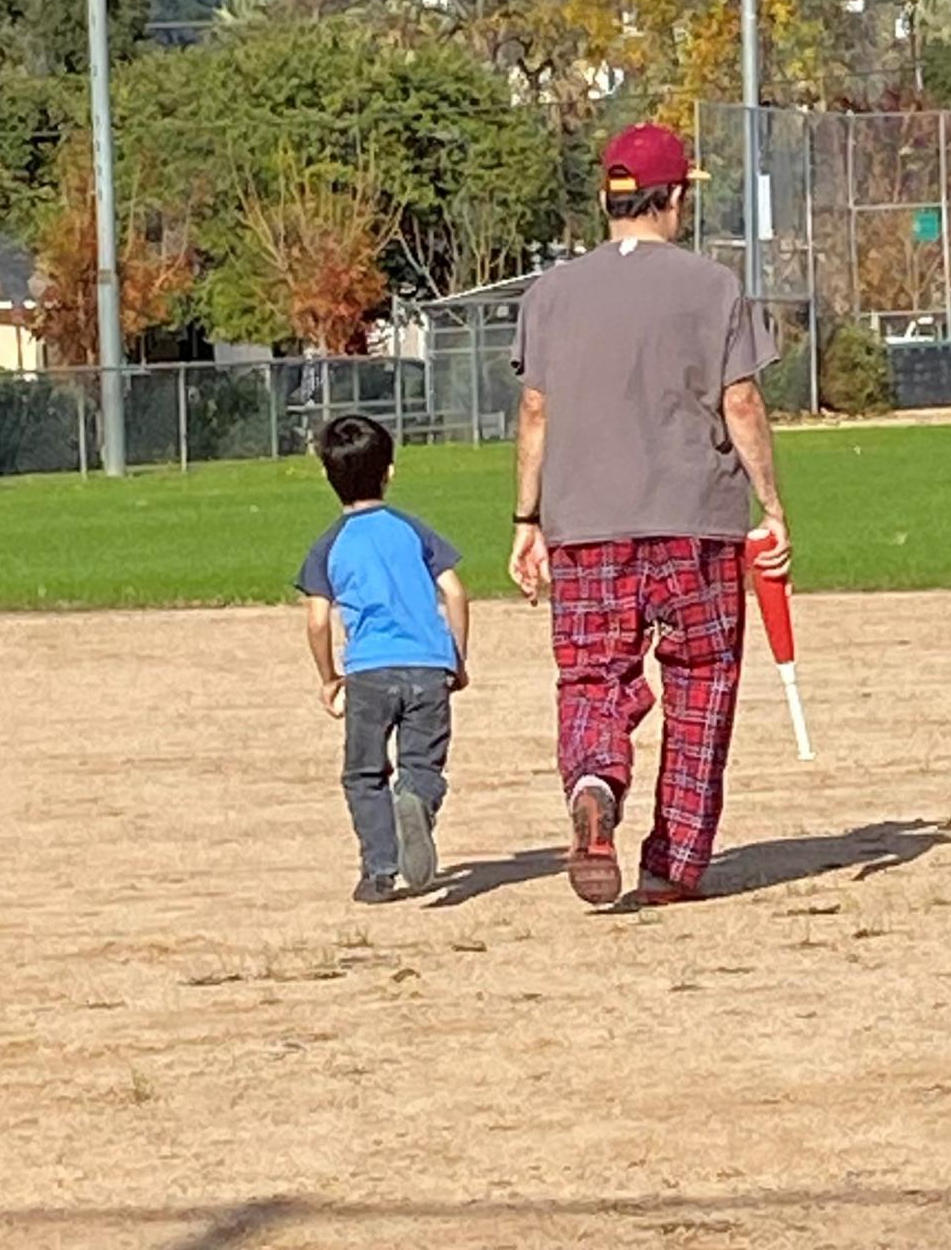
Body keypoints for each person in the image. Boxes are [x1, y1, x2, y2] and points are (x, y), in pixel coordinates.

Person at [508, 122, 791, 909]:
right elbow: (741, 401)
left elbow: (536, 411)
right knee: (702, 680)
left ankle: (594, 780)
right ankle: (674, 861)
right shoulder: (714, 286)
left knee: (593, 673)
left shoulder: (550, 294)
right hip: (695, 518)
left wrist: (526, 519)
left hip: (585, 523)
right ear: (672, 199)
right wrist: (771, 505)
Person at [297, 414, 470, 905]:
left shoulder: (329, 544)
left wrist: (329, 677)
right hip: (428, 667)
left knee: (365, 773)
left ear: (328, 476)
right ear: (389, 472)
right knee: (422, 764)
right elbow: (455, 592)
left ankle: (379, 870)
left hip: (369, 670)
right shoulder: (411, 530)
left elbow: (317, 620)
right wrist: (456, 658)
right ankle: (415, 800)